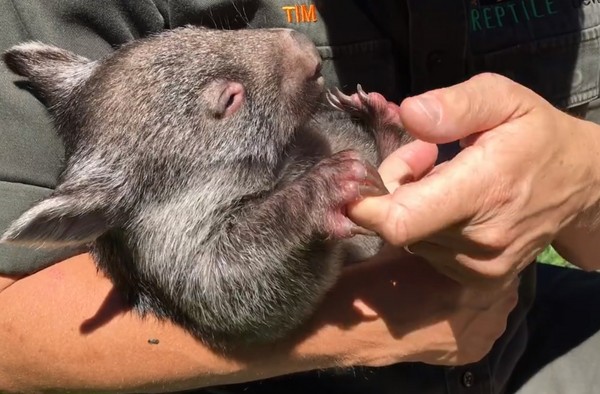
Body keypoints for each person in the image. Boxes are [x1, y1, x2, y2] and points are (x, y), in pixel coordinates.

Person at [1, 1, 600, 393]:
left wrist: (583, 181)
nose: (294, 45)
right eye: (230, 99)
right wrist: (365, 327)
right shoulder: (173, 217)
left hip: (516, 343)